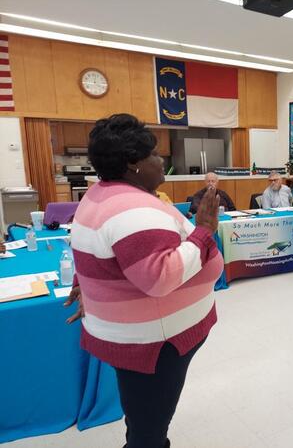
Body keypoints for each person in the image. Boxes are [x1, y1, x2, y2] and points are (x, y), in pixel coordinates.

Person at [65, 114, 223, 448]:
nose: (161, 160)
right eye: (154, 154)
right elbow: (160, 278)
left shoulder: (100, 195)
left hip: (142, 336)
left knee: (142, 414)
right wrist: (204, 231)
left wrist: (91, 282)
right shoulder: (132, 209)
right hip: (155, 344)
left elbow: (98, 245)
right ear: (134, 163)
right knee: (148, 431)